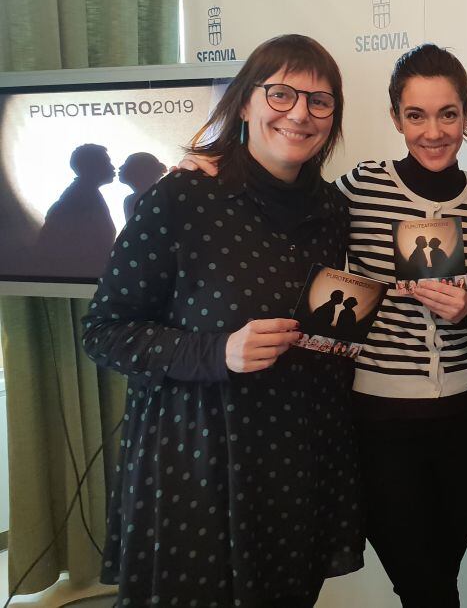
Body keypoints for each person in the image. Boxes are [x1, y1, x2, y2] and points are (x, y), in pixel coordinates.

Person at [81, 34, 363, 607]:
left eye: (319, 101)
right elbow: (105, 330)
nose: (300, 114)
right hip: (199, 461)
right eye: (280, 94)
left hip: (294, 461)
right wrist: (217, 352)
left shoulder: (332, 210)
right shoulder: (184, 197)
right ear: (245, 102)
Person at [336, 43, 467, 607]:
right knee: (426, 587)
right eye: (416, 115)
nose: (434, 131)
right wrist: (211, 164)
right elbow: (284, 218)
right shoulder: (360, 187)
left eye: (448, 114)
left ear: (466, 115)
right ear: (395, 118)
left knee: (437, 581)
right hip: (380, 421)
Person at [37, 143, 116, 278]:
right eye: (106, 162)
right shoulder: (81, 198)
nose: (113, 167)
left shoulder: (82, 194)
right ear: (91, 167)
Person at [118, 150, 167, 219]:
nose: (120, 167)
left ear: (138, 169)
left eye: (126, 163)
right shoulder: (163, 194)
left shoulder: (132, 200)